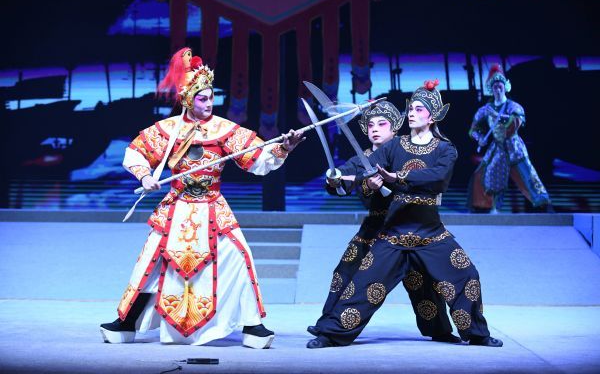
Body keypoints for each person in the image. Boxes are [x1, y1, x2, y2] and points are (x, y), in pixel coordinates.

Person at [100, 61, 305, 348]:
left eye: (211, 97)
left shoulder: (224, 129)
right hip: (177, 205)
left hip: (212, 206)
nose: (209, 104)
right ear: (187, 99)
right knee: (151, 262)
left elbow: (258, 158)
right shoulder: (168, 129)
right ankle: (126, 323)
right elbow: (136, 152)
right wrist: (145, 176)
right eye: (202, 99)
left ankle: (253, 325)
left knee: (240, 257)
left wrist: (283, 148)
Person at [307, 80, 503, 348]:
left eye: (419, 109)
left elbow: (438, 177)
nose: (411, 113)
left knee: (467, 275)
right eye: (410, 108)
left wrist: (397, 177)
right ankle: (330, 334)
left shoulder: (445, 149)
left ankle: (478, 334)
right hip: (393, 235)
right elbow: (366, 168)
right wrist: (340, 178)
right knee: (362, 285)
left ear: (432, 117)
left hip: (431, 234)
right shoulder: (394, 146)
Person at [468, 64, 551, 213]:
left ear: (505, 87)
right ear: (491, 89)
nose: (498, 89)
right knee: (486, 174)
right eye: (495, 87)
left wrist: (498, 117)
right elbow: (473, 129)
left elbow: (516, 121)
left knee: (527, 174)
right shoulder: (485, 110)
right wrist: (479, 138)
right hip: (497, 148)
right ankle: (489, 208)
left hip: (514, 147)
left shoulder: (514, 106)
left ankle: (543, 204)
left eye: (500, 86)